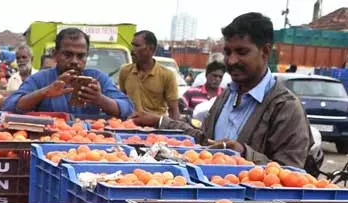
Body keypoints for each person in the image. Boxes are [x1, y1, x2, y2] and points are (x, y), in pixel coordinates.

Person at [132, 13, 311, 168]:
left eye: (241, 52)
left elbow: (291, 174)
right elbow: (204, 141)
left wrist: (243, 153)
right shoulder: (227, 95)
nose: (231, 61)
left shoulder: (286, 108)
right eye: (227, 52)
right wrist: (161, 121)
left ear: (265, 51)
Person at [3, 28, 133, 118]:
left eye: (81, 56)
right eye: (68, 54)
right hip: (49, 143)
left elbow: (126, 108)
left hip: (88, 145)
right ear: (55, 54)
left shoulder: (97, 78)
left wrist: (100, 99)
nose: (75, 61)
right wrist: (44, 92)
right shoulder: (40, 79)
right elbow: (10, 106)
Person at [120, 30, 179, 119]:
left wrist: (175, 130)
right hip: (129, 127)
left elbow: (173, 109)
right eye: (132, 45)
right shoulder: (125, 71)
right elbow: (121, 101)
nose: (132, 50)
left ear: (151, 49)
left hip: (156, 129)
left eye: (137, 46)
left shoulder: (167, 75)